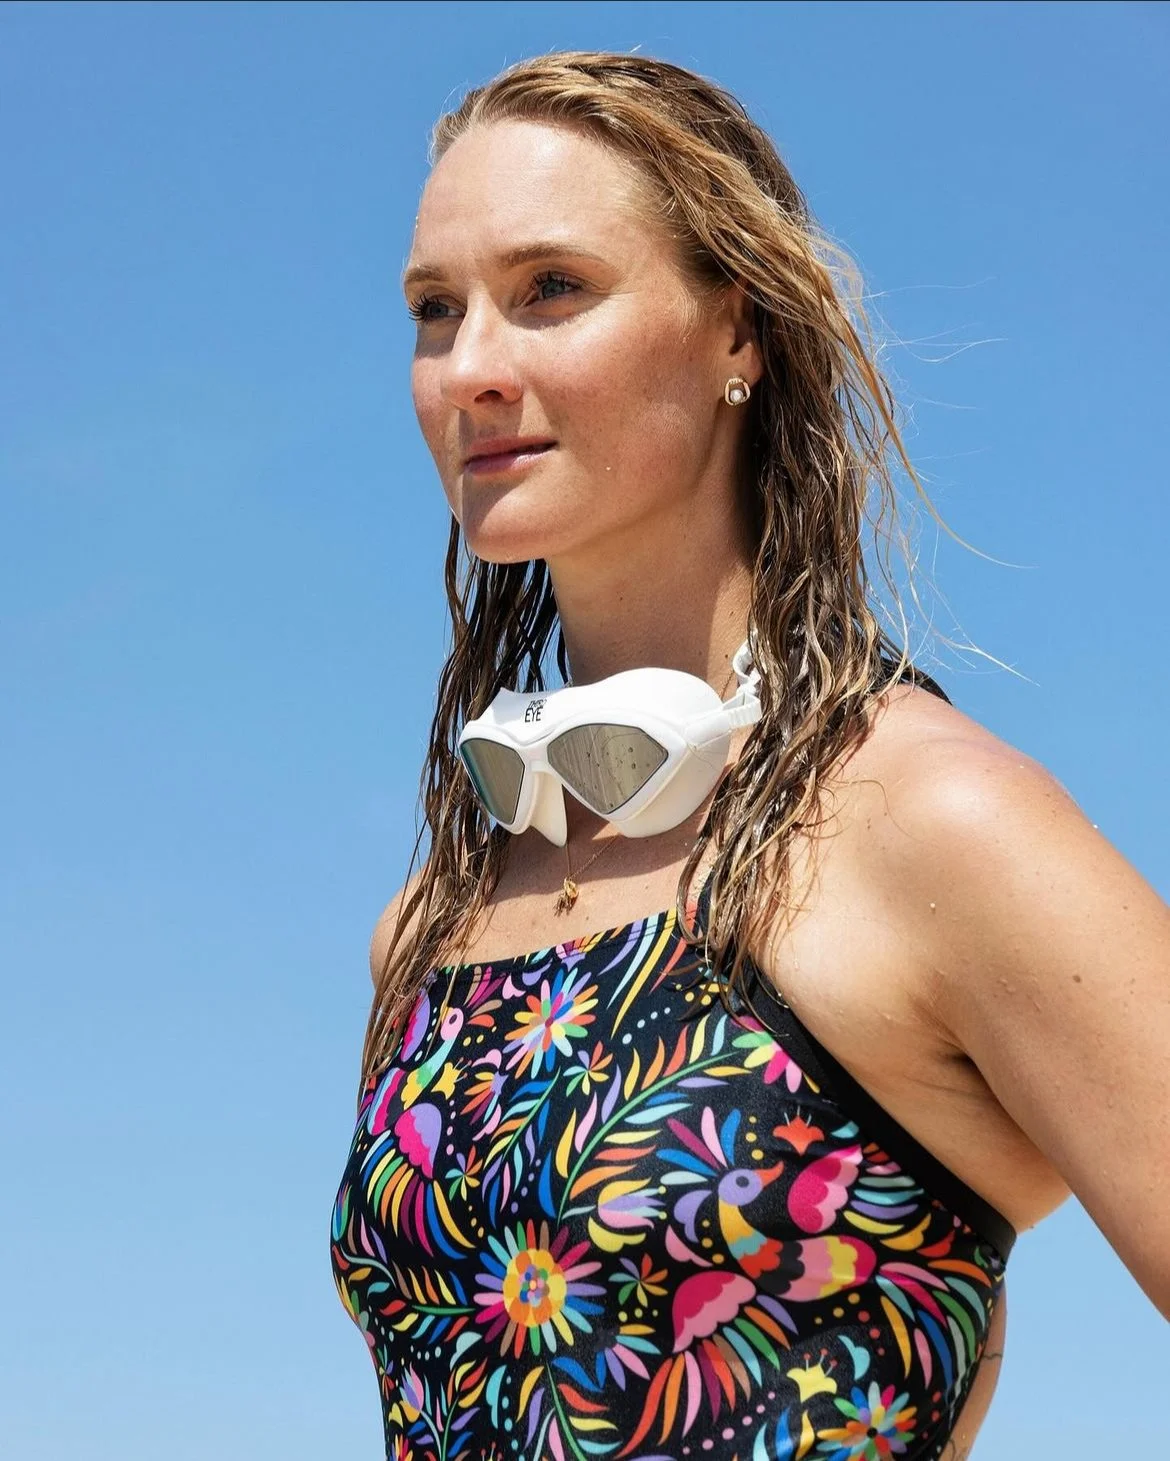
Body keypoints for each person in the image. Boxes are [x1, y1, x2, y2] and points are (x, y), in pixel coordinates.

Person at [330, 51, 1169, 1461]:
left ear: (739, 330)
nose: (471, 368)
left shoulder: (935, 828)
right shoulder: (430, 925)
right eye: (433, 310)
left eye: (551, 289)